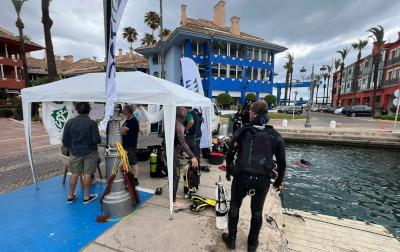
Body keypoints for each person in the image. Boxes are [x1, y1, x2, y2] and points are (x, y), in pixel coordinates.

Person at [223, 101, 286, 252]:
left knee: (235, 205)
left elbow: (230, 151)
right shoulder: (275, 136)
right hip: (262, 179)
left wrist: (228, 170)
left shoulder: (243, 131)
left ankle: (231, 240)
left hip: (241, 176)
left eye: (251, 112)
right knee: (257, 212)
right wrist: (278, 181)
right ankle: (252, 245)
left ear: (253, 114)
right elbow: (282, 163)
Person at [63, 102, 101, 204]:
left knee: (74, 174)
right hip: (90, 152)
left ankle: (70, 196)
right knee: (88, 174)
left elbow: (65, 141)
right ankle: (86, 196)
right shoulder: (92, 123)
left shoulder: (70, 122)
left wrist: (73, 146)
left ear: (77, 110)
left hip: (75, 152)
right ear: (89, 110)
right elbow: (97, 140)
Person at [174, 106, 199, 208]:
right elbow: (183, 143)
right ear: (181, 112)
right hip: (172, 153)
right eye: (184, 109)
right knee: (175, 176)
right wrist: (192, 156)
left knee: (175, 175)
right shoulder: (179, 125)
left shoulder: (176, 122)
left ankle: (174, 196)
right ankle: (173, 201)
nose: (186, 111)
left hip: (173, 152)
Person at [120, 104, 140, 186]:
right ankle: (131, 177)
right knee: (128, 162)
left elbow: (122, 131)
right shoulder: (128, 120)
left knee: (133, 162)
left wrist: (121, 130)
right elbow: (122, 131)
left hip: (130, 145)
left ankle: (135, 179)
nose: (123, 112)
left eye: (124, 110)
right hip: (127, 144)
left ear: (127, 111)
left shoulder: (131, 120)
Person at [184, 108, 208, 172]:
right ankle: (196, 166)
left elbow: (191, 122)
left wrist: (186, 129)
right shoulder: (199, 117)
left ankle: (195, 167)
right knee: (196, 151)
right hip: (198, 135)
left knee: (194, 152)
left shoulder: (191, 115)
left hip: (195, 136)